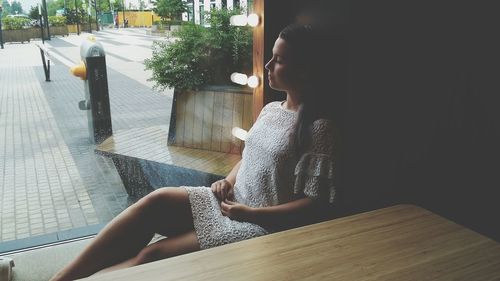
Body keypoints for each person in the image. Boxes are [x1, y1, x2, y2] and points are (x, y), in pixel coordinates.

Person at [50, 24, 343, 281]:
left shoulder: (319, 128)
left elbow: (315, 204)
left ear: (304, 69)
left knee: (152, 256)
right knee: (155, 201)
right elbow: (249, 158)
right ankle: (62, 277)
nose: (267, 65)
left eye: (278, 60)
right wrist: (227, 181)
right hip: (232, 202)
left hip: (261, 225)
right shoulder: (270, 109)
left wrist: (253, 213)